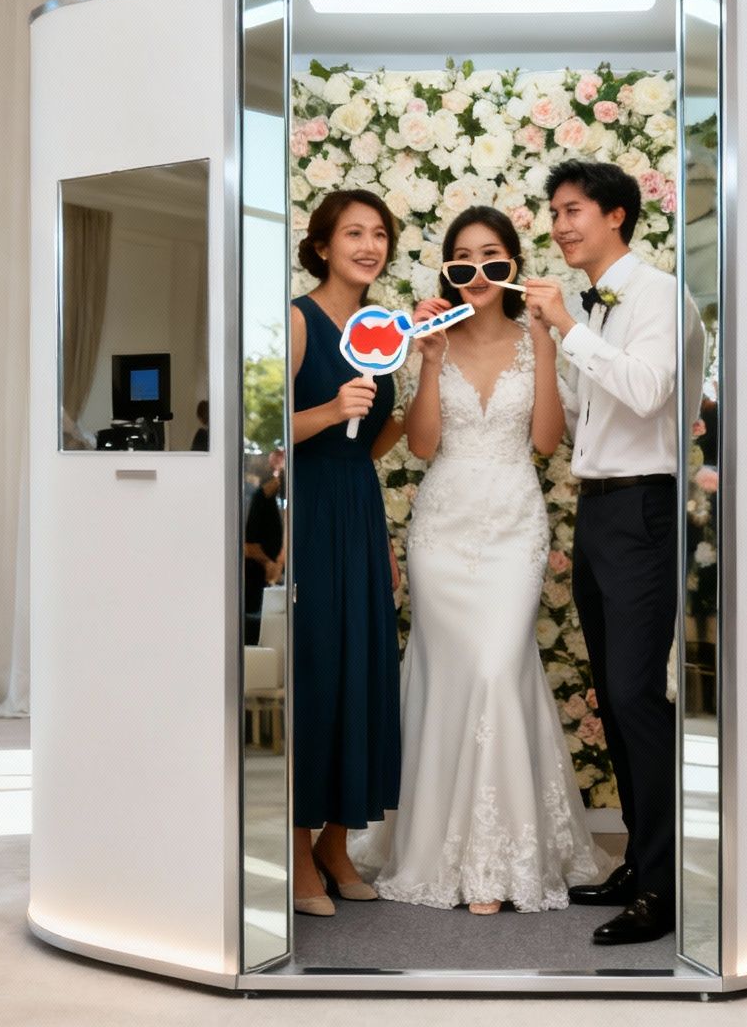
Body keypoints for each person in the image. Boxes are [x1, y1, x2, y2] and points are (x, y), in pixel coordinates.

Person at [358, 207, 607, 916]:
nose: (477, 273)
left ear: (511, 268)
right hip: (443, 531)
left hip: (513, 527)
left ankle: (504, 857)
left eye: (492, 260)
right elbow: (425, 446)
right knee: (454, 677)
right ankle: (443, 854)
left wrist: (550, 348)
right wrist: (429, 364)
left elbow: (547, 442)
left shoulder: (535, 340)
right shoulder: (430, 343)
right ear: (449, 270)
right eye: (463, 261)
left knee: (500, 668)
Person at [521, 159, 701, 947]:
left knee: (635, 699)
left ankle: (661, 888)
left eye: (574, 211)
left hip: (642, 510)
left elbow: (647, 389)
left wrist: (567, 327)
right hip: (598, 512)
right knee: (614, 698)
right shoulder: (595, 305)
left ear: (617, 216)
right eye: (555, 212)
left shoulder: (658, 293)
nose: (560, 226)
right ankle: (638, 860)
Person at [287, 190, 405, 918]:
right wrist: (332, 409)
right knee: (317, 675)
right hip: (309, 512)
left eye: (380, 233)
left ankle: (337, 843)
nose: (368, 244)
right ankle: (297, 856)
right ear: (324, 244)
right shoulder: (298, 321)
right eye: (353, 232)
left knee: (362, 673)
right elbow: (263, 434)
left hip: (359, 511)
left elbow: (377, 441)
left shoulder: (379, 329)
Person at [243, 449, 285, 647]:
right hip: (256, 579)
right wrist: (270, 563)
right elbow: (249, 546)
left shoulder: (272, 502)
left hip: (266, 578)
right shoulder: (260, 499)